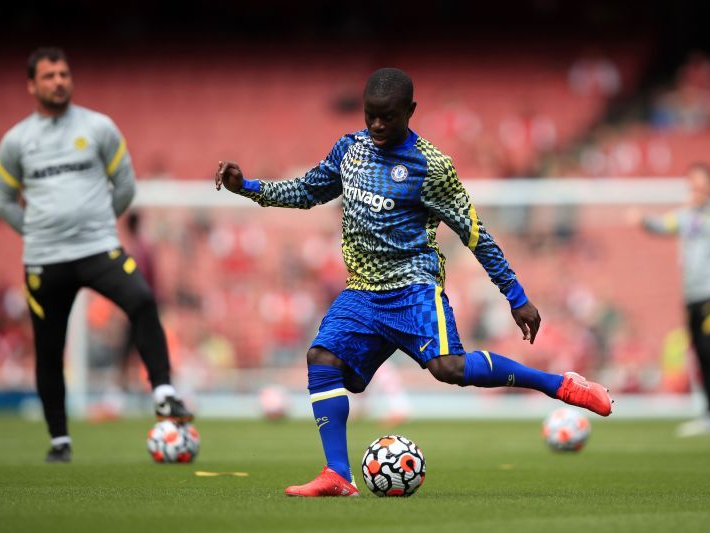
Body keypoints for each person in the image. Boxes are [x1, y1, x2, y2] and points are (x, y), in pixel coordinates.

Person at [216, 68, 612, 497]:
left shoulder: (431, 166)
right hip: (364, 291)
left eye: (387, 117)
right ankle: (337, 475)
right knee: (322, 360)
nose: (377, 125)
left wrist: (515, 296)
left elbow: (474, 232)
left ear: (411, 111)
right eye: (371, 116)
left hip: (414, 290)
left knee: (449, 369)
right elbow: (308, 190)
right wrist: (248, 186)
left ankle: (560, 385)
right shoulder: (350, 149)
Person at [0, 47, 193, 463]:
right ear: (32, 85)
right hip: (45, 260)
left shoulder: (98, 127)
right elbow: (3, 201)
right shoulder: (16, 141)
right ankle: (59, 440)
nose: (59, 82)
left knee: (141, 298)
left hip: (98, 248)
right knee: (49, 347)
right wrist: (35, 232)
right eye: (49, 76)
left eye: (64, 74)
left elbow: (124, 185)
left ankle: (164, 392)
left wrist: (99, 225)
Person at [629, 163, 710, 437]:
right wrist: (643, 220)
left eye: (698, 183)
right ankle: (709, 412)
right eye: (691, 183)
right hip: (692, 295)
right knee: (698, 352)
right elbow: (662, 225)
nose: (693, 188)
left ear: (709, 184)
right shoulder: (686, 216)